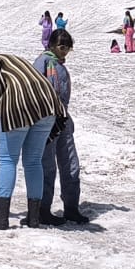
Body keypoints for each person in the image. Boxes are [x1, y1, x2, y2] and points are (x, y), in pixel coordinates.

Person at [0, 52, 66, 230]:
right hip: (48, 104)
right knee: (33, 161)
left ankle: (1, 216)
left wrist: (2, 118)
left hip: (19, 105)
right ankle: (34, 217)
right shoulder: (9, 60)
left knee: (8, 160)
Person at [35, 29, 87, 225]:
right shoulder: (43, 62)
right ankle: (43, 209)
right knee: (47, 166)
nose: (64, 51)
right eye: (61, 46)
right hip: (46, 120)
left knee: (70, 163)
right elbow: (34, 90)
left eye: (68, 48)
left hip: (63, 119)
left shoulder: (60, 65)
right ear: (51, 45)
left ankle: (71, 207)